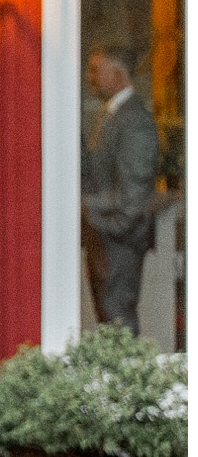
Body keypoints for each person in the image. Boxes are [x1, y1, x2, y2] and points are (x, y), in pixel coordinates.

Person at [81, 45, 160, 333]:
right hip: (107, 240)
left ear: (117, 74)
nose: (89, 77)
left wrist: (102, 225)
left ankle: (127, 378)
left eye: (95, 70)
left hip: (119, 244)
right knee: (109, 323)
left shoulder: (135, 121)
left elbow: (133, 198)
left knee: (118, 324)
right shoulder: (110, 115)